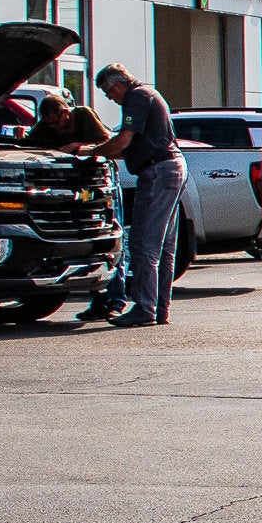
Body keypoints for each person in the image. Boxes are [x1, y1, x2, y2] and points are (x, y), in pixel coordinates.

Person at [74, 64, 185, 328]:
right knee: (164, 247)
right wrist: (101, 148)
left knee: (143, 243)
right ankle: (159, 308)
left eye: (108, 92)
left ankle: (145, 309)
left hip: (158, 172)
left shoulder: (137, 98)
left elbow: (123, 142)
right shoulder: (147, 94)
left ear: (118, 85)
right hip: (171, 168)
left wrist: (86, 151)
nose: (110, 98)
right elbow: (129, 148)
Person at [27, 96, 130, 321]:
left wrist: (79, 148)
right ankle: (99, 300)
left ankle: (115, 300)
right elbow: (30, 145)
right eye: (51, 124)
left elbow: (108, 145)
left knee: (109, 238)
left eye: (59, 121)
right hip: (74, 191)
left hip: (98, 187)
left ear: (66, 111)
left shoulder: (83, 115)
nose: (57, 127)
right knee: (86, 243)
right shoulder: (45, 126)